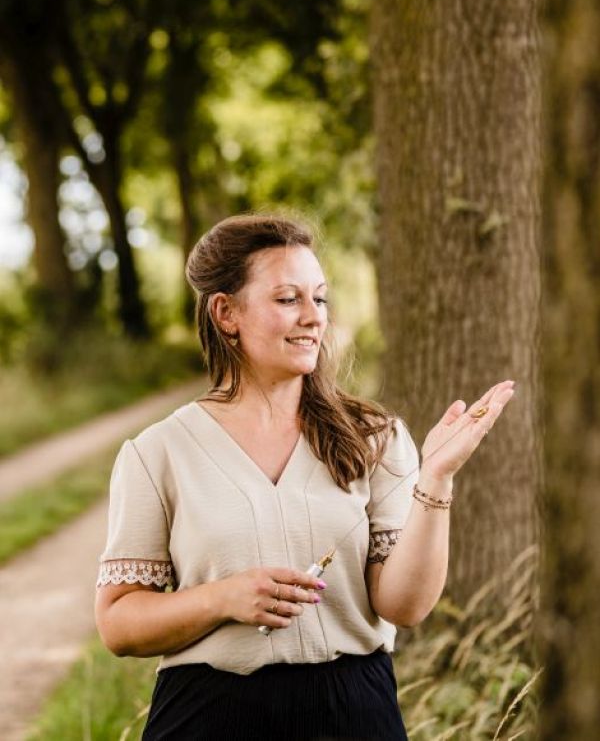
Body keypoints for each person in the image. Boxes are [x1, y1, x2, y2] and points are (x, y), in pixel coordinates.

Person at [95, 213, 514, 741]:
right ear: (226, 312)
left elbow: (405, 607)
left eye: (320, 298)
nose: (314, 317)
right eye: (288, 299)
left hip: (353, 713)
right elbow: (118, 624)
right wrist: (223, 599)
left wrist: (436, 477)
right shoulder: (157, 452)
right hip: (208, 717)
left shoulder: (374, 437)